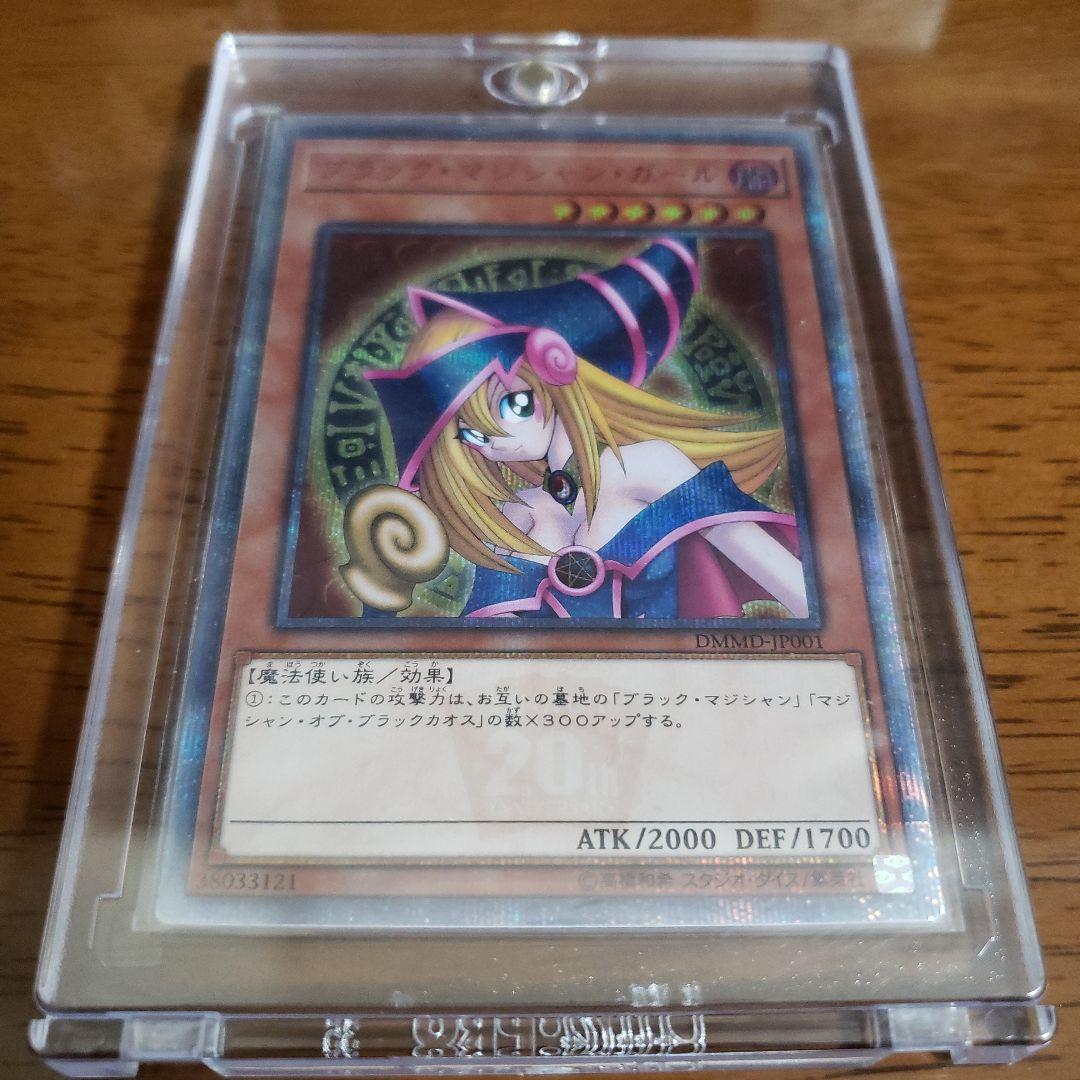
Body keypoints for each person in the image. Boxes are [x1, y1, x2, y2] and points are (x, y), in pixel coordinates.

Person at [356, 238, 807, 620]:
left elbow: (792, 586)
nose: (496, 443)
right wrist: (383, 589)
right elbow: (489, 653)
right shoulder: (513, 516)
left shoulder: (648, 465)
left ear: (554, 374)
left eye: (512, 405)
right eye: (473, 435)